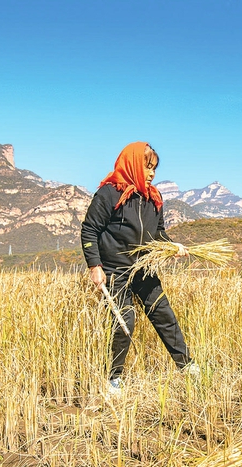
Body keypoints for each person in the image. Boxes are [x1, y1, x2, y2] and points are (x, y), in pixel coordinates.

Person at [81, 142, 195, 395]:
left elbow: (158, 233)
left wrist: (172, 246)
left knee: (164, 316)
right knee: (124, 321)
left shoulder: (152, 198)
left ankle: (187, 366)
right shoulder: (109, 193)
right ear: (132, 164)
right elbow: (89, 230)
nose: (152, 173)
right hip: (115, 271)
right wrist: (95, 266)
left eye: (154, 168)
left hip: (144, 269)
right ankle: (113, 377)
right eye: (147, 166)